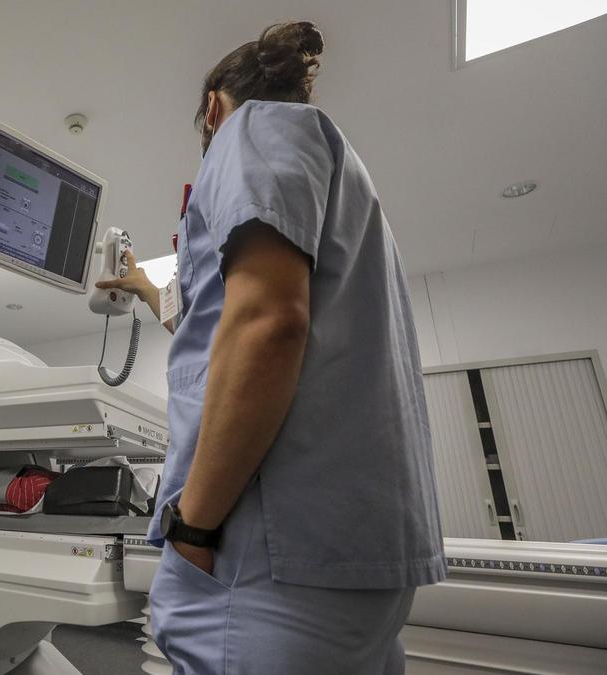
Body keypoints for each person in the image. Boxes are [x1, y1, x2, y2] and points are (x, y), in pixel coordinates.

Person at [96, 20, 446, 674]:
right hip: (359, 566)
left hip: (262, 565)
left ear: (211, 108)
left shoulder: (248, 128)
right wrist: (148, 288)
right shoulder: (350, 194)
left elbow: (267, 324)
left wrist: (194, 528)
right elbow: (241, 320)